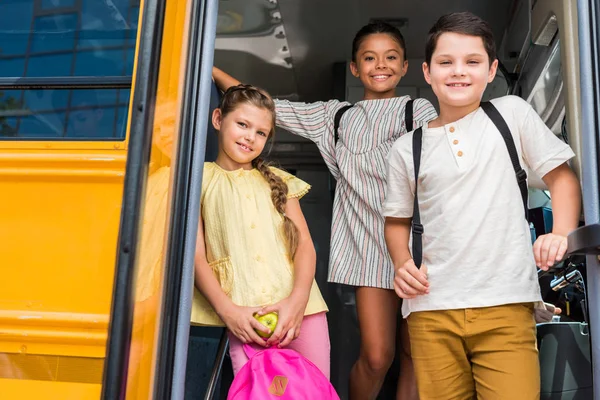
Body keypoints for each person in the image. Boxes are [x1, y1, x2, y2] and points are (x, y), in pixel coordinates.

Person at [213, 20, 438, 400]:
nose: (380, 65)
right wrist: (208, 68)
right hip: (369, 250)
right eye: (369, 57)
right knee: (378, 356)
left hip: (423, 249)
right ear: (355, 67)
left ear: (404, 67)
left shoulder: (419, 110)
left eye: (391, 57)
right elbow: (264, 106)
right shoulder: (333, 117)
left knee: (417, 355)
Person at [383, 12, 581, 399]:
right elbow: (396, 221)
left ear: (491, 70)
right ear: (427, 72)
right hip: (430, 309)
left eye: (472, 62)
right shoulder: (407, 148)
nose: (458, 72)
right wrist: (401, 263)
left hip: (506, 304)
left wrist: (560, 234)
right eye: (446, 62)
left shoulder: (511, 113)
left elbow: (563, 180)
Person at [191, 84, 331, 378]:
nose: (249, 137)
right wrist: (229, 312)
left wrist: (298, 301)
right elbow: (196, 256)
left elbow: (305, 245)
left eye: (260, 133)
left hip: (303, 312)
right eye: (242, 124)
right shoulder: (197, 181)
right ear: (218, 119)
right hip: (245, 318)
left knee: (314, 390)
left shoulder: (280, 181)